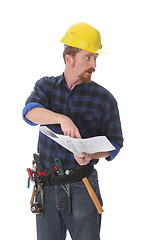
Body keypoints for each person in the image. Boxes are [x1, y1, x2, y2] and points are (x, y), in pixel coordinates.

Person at [22, 22, 123, 240]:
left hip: (83, 188)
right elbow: (29, 113)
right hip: (46, 188)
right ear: (69, 58)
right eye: (88, 57)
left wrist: (92, 155)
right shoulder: (46, 87)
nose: (94, 64)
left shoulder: (104, 99)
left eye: (96, 58)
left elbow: (115, 143)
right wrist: (61, 118)